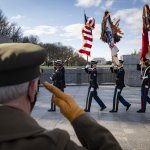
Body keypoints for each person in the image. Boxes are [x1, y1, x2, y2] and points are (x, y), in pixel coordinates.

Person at [0, 43, 122, 150]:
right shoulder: (54, 144)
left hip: (91, 85)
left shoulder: (64, 70)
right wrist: (80, 118)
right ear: (33, 89)